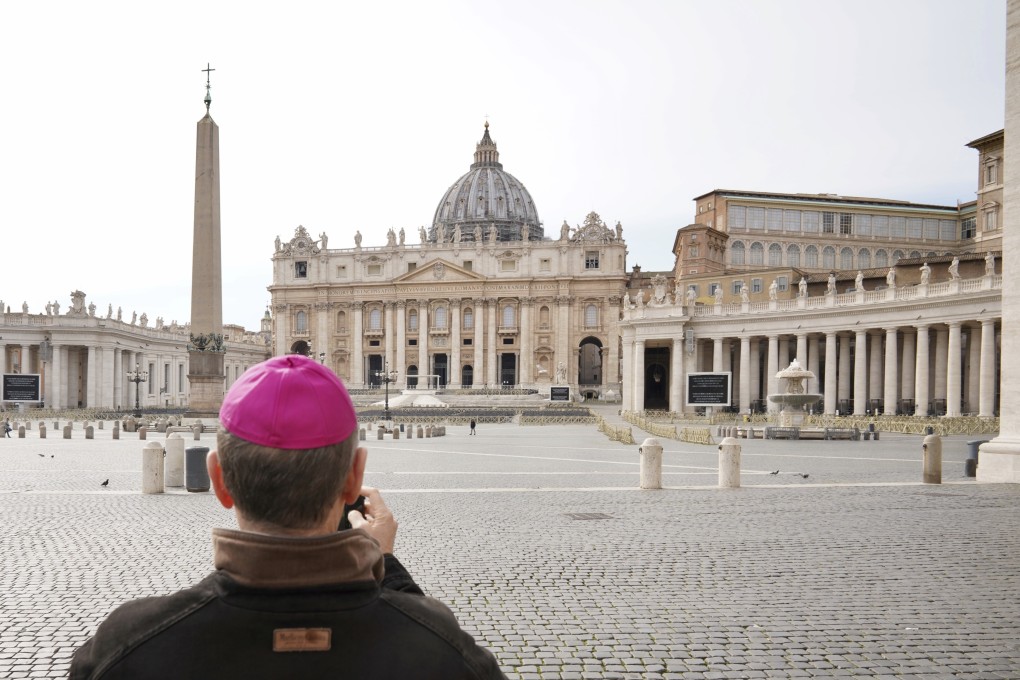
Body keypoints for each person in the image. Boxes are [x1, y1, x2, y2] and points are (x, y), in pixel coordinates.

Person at [71, 355, 505, 679]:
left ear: (218, 479)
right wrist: (387, 568)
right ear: (354, 478)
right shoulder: (441, 653)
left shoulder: (125, 649)